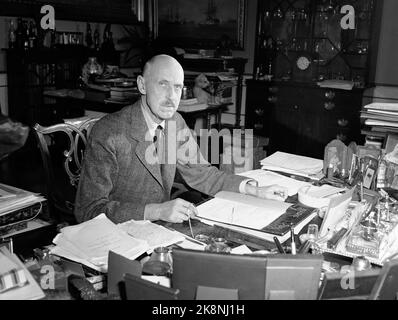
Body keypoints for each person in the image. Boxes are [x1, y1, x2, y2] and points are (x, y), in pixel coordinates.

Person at [74, 55, 288, 224]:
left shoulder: (175, 121)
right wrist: (156, 210)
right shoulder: (109, 132)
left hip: (159, 231)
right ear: (142, 85)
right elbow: (88, 210)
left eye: (177, 87)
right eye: (163, 84)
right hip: (117, 236)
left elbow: (202, 173)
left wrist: (253, 189)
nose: (171, 96)